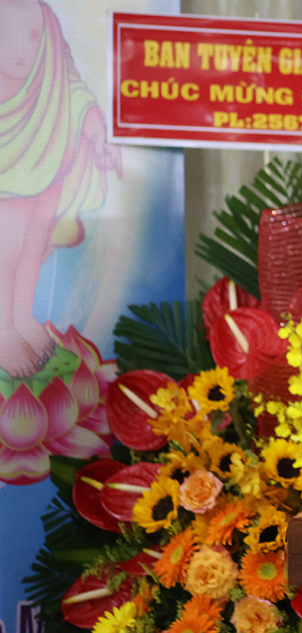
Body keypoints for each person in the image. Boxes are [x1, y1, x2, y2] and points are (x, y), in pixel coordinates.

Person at [0, 0, 122, 377]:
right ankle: (3, 330)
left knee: (33, 245)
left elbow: (69, 83)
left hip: (48, 148)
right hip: (7, 150)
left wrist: (97, 132)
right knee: (8, 248)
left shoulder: (45, 14)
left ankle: (22, 317)